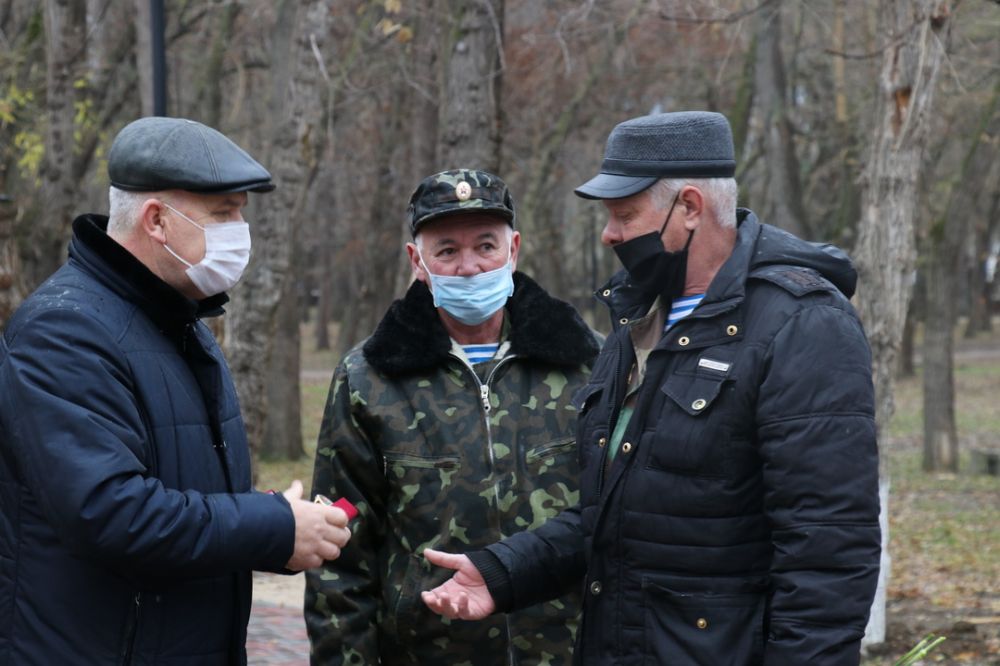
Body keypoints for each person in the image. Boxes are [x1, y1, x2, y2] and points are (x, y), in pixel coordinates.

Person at [421, 112, 882, 664]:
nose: (609, 233)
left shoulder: (800, 323)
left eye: (624, 214)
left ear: (689, 208)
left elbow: (827, 551)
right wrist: (501, 572)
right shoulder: (637, 321)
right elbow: (612, 514)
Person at [0, 116, 352, 666]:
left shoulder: (179, 323)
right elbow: (112, 513)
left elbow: (184, 487)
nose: (240, 231)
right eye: (223, 214)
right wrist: (273, 529)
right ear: (157, 220)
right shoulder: (63, 331)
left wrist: (273, 519)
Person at [304, 169, 602, 665]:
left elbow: (623, 516)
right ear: (416, 261)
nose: (469, 267)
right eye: (447, 250)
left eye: (486, 246)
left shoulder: (587, 362)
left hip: (567, 650)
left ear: (514, 250)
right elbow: (341, 554)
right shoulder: (369, 378)